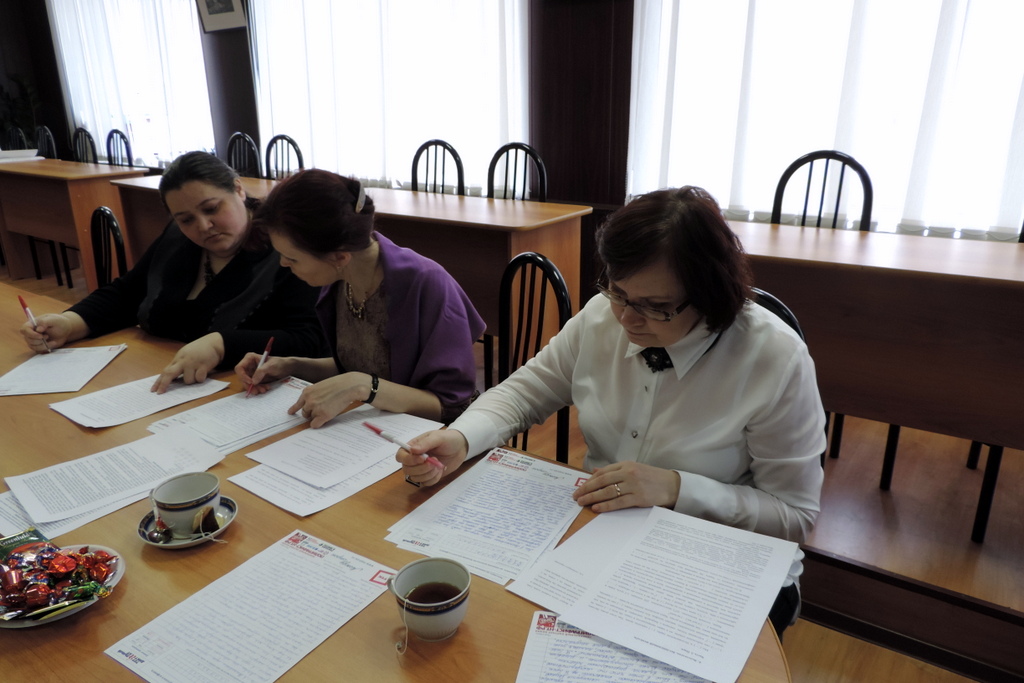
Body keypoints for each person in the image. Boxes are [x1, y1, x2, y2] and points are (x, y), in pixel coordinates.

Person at [397, 186, 826, 636]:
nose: (626, 319)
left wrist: (677, 489)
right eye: (618, 292)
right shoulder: (602, 315)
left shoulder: (773, 358)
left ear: (710, 296)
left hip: (715, 556)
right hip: (603, 536)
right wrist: (461, 437)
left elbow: (794, 516)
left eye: (656, 307)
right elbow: (525, 392)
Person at [20, 152, 325, 392]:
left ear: (238, 189)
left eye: (211, 209)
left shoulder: (286, 249)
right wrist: (70, 323)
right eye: (186, 219)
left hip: (239, 390)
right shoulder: (179, 239)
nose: (203, 226)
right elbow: (127, 293)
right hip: (161, 378)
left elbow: (310, 339)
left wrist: (222, 344)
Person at [235, 169, 485, 426]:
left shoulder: (424, 284)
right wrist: (290, 365)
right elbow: (360, 366)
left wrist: (364, 386)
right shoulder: (340, 279)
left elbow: (452, 406)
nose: (283, 264)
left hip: (432, 437)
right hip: (377, 426)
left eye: (292, 258)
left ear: (340, 257)